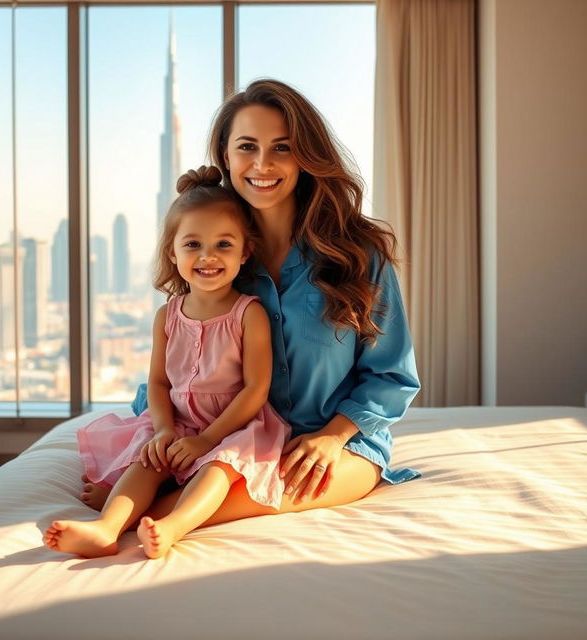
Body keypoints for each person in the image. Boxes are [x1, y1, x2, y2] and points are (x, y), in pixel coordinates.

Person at [122, 78, 422, 529]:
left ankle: (138, 519)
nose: (263, 164)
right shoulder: (216, 256)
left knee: (159, 512)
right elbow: (182, 365)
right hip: (224, 443)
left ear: (306, 155)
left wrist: (330, 437)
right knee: (155, 488)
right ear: (226, 155)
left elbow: (392, 375)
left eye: (282, 147)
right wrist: (163, 437)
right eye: (247, 146)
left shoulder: (359, 255)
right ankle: (134, 513)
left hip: (332, 446)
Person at [43, 165, 291, 559]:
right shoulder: (168, 315)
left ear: (245, 252)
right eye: (192, 245)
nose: (207, 256)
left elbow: (256, 388)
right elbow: (158, 383)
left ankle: (172, 526)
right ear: (172, 253)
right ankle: (106, 529)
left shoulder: (250, 314)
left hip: (232, 427)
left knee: (219, 468)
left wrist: (208, 440)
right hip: (177, 421)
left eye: (224, 245)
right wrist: (162, 430)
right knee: (148, 458)